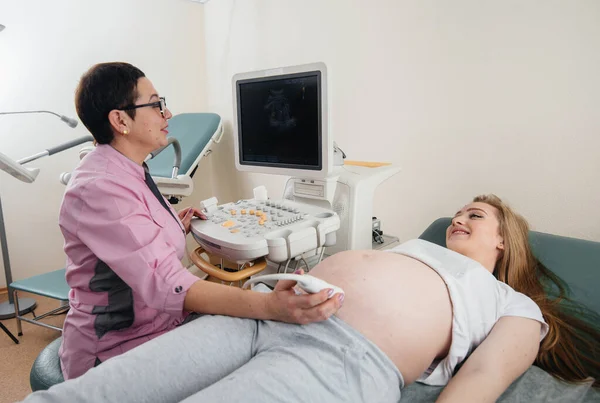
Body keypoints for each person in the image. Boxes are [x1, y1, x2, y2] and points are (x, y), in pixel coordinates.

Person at [22, 195, 599, 403]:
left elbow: (483, 382)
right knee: (91, 394)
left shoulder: (513, 305)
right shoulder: (413, 247)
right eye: (460, 210)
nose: (460, 218)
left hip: (345, 356)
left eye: (479, 215)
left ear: (505, 240)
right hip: (265, 311)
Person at [56, 62, 343, 380]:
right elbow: (166, 284)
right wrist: (273, 306)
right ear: (120, 119)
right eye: (156, 104)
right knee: (266, 349)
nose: (168, 114)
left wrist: (173, 224)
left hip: (158, 326)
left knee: (261, 329)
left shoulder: (127, 168)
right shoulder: (101, 188)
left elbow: (132, 238)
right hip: (117, 350)